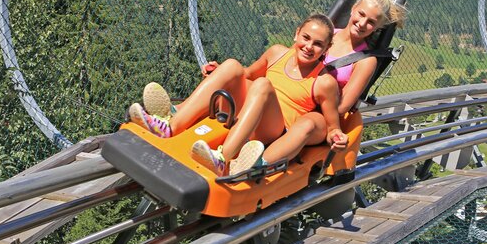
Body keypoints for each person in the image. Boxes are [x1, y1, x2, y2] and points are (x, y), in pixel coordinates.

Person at [129, 14, 348, 176]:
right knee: (232, 65)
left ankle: (224, 158)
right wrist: (219, 70)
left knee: (262, 85)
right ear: (297, 33)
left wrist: (337, 137)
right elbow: (245, 74)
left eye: (318, 44)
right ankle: (171, 124)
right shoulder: (277, 53)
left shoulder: (324, 82)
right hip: (245, 114)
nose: (309, 46)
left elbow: (332, 126)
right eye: (306, 37)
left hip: (272, 131)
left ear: (326, 49)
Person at [284, 0, 407, 171]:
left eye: (371, 22)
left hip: (320, 115)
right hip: (291, 97)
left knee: (305, 125)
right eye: (361, 14)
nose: (362, 23)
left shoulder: (366, 61)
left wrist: (308, 96)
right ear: (353, 9)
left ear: (377, 28)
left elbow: (342, 107)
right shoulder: (325, 35)